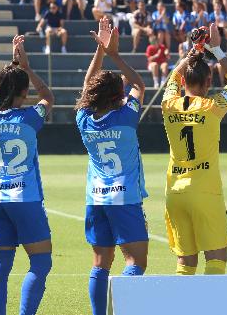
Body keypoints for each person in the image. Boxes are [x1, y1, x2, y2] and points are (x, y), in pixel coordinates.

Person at [76, 17, 148, 315]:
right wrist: (114, 53)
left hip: (96, 197)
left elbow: (85, 89)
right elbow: (140, 84)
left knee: (100, 263)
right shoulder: (127, 116)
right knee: (136, 263)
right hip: (125, 197)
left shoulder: (84, 119)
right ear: (118, 95)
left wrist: (100, 52)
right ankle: (124, 305)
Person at [0, 35, 54, 315]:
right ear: (24, 92)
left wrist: (13, 66)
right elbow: (48, 96)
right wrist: (26, 67)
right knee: (41, 262)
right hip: (25, 197)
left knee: (1, 265)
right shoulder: (29, 117)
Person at [161, 23, 227, 276]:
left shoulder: (169, 105)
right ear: (209, 81)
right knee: (216, 263)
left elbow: (173, 79)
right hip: (205, 192)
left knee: (185, 267)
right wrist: (216, 50)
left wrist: (191, 53)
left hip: (175, 193)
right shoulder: (212, 107)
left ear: (186, 79)